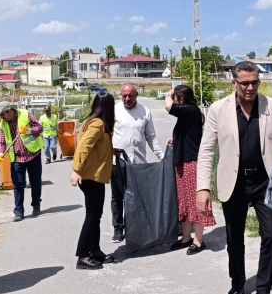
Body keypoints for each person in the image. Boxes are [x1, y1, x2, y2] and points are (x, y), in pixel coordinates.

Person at [197, 61, 272, 294]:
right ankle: (238, 285)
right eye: (245, 83)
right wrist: (202, 188)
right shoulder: (217, 110)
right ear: (234, 83)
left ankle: (263, 288)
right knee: (234, 239)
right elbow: (206, 151)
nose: (250, 87)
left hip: (267, 183)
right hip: (234, 183)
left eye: (254, 82)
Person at [110, 83, 164, 243]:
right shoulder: (114, 110)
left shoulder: (145, 112)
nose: (127, 99)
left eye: (130, 96)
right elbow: (106, 133)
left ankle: (136, 228)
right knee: (117, 197)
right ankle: (118, 229)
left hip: (139, 164)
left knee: (138, 197)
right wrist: (109, 149)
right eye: (124, 96)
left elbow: (151, 137)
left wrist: (162, 156)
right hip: (117, 163)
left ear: (136, 95)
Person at [165, 85, 216, 255]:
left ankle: (199, 240)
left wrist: (169, 93)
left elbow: (168, 107)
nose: (173, 100)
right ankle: (186, 237)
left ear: (182, 99)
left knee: (196, 203)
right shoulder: (188, 113)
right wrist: (176, 138)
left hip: (192, 163)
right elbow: (188, 133)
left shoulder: (191, 110)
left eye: (175, 98)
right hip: (183, 162)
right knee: (185, 202)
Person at [71, 91, 117, 270]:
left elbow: (97, 147)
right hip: (90, 176)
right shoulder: (97, 124)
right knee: (92, 217)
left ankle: (95, 251)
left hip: (93, 175)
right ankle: (82, 256)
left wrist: (113, 151)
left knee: (95, 216)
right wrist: (76, 169)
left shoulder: (91, 120)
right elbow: (83, 147)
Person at [0, 101, 44, 222]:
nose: (1, 117)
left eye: (3, 114)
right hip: (16, 159)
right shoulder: (3, 124)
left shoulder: (26, 115)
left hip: (33, 154)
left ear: (10, 111)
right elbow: (0, 141)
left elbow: (39, 128)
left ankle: (36, 204)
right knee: (18, 184)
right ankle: (19, 211)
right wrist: (0, 153)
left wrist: (29, 131)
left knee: (35, 182)